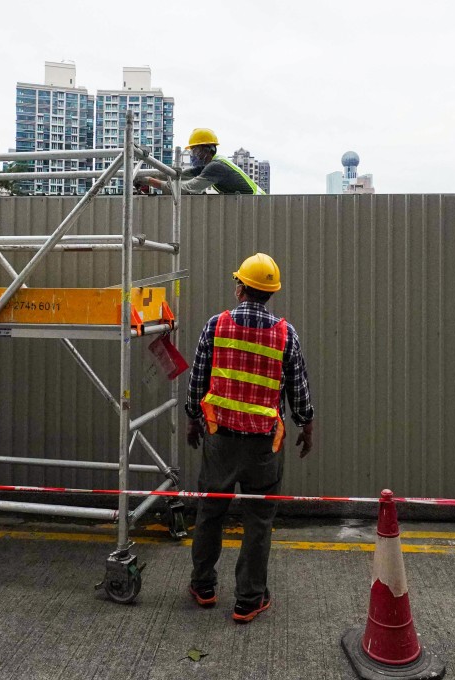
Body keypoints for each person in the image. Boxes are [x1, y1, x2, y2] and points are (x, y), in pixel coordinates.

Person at [184, 252, 314, 623]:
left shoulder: (216, 325)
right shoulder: (286, 334)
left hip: (220, 440)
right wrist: (307, 426)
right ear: (270, 293)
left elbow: (198, 379)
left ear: (241, 287)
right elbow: (298, 389)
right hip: (263, 447)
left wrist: (194, 419)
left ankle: (204, 586)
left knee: (211, 512)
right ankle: (248, 599)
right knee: (258, 520)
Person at [140, 128, 265, 195]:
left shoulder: (216, 167)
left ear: (208, 149)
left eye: (196, 150)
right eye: (192, 151)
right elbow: (179, 175)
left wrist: (149, 181)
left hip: (256, 205)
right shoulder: (210, 165)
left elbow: (186, 189)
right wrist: (145, 174)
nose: (194, 155)